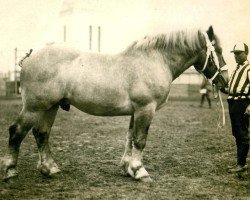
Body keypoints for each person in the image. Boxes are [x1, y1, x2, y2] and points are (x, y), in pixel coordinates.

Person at [221, 42, 250, 173]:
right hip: (233, 103)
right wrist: (221, 88)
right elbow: (231, 90)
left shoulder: (248, 69)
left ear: (246, 53)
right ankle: (240, 162)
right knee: (237, 132)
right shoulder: (236, 70)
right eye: (235, 54)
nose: (236, 56)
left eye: (239, 53)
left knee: (242, 133)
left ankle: (241, 164)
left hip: (243, 103)